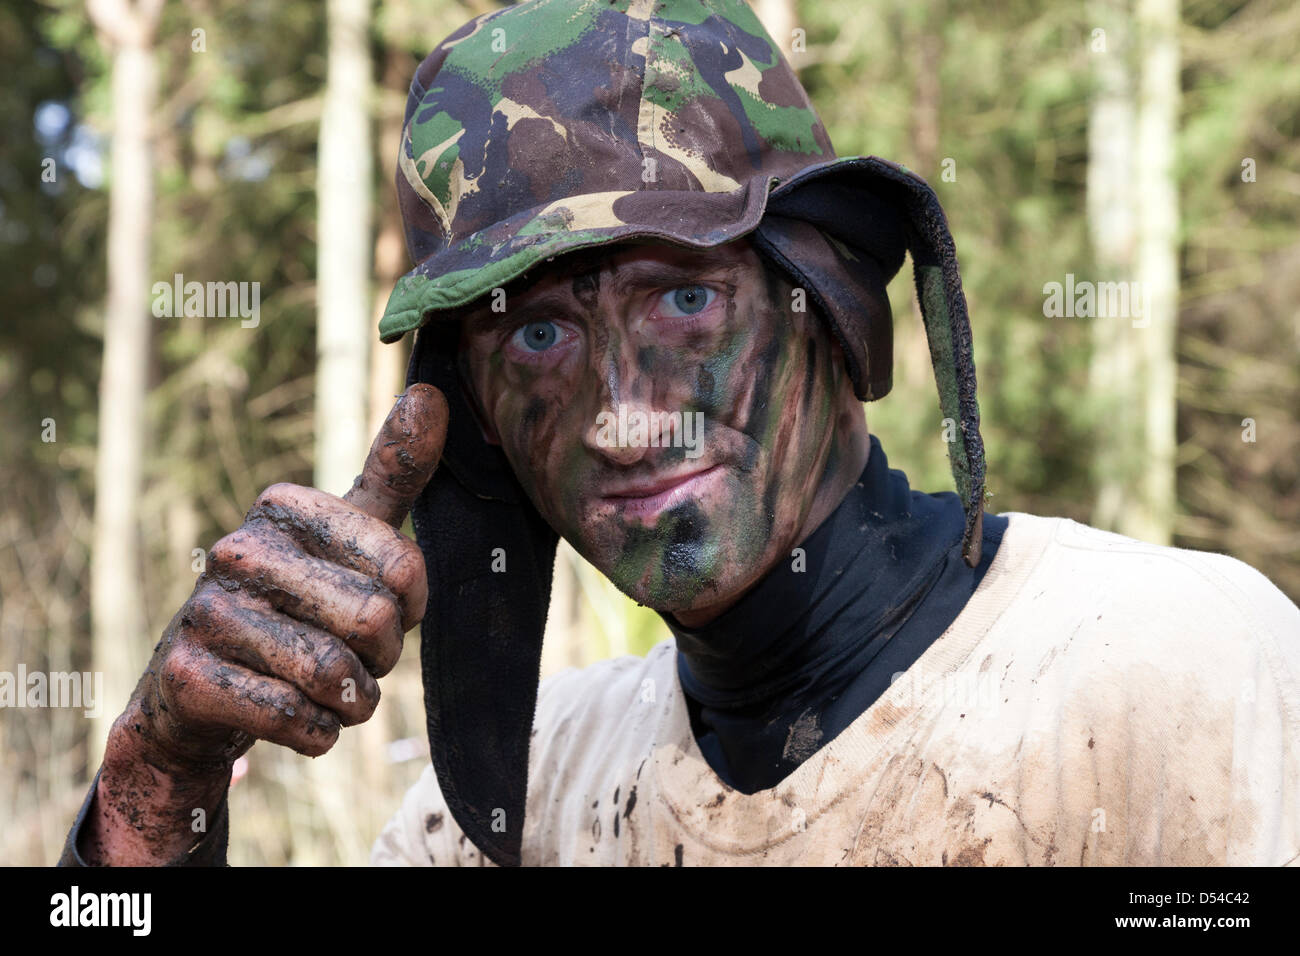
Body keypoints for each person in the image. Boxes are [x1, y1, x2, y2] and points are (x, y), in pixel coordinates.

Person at [62, 0, 1299, 868]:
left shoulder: (1173, 672)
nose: (624, 408)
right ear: (475, 422)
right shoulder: (515, 805)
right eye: (539, 335)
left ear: (832, 301)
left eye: (685, 296)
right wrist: (152, 790)